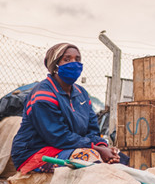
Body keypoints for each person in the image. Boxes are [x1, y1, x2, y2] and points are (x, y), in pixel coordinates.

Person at [11, 43, 123, 174]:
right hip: (35, 153)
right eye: (67, 59)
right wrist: (95, 148)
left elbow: (92, 130)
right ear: (55, 65)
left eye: (77, 59)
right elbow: (58, 136)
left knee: (120, 161)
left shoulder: (82, 94)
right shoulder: (43, 94)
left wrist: (102, 146)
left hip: (69, 147)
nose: (74, 63)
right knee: (90, 159)